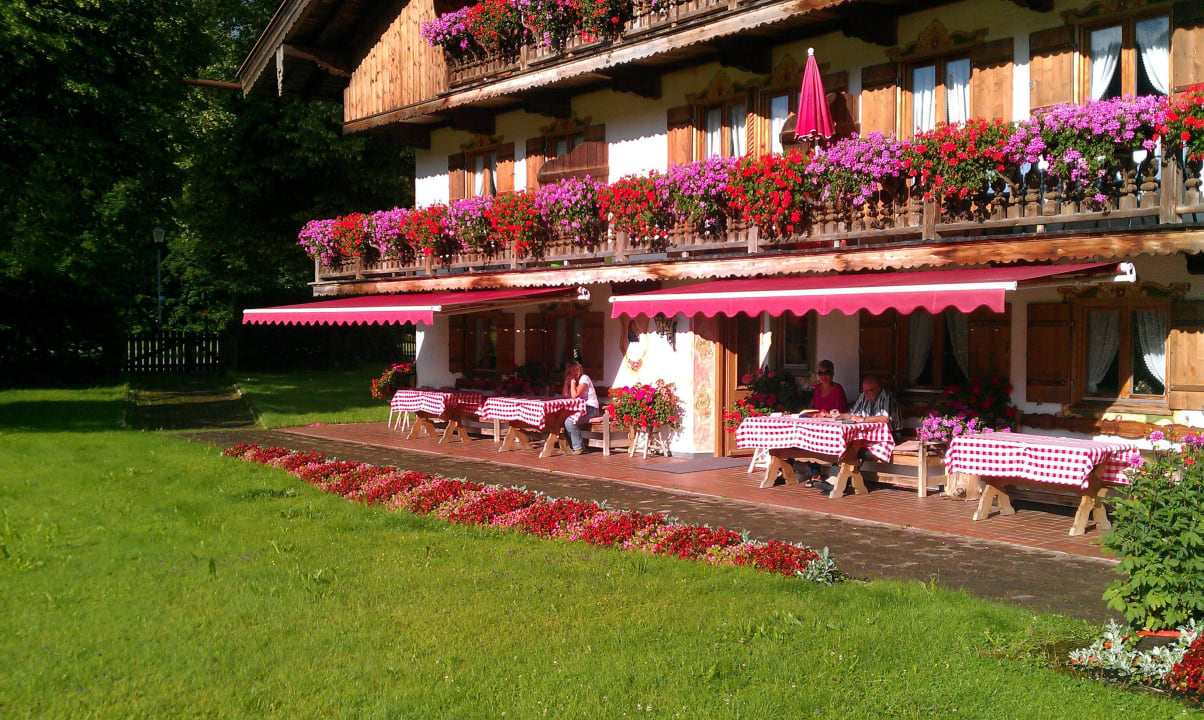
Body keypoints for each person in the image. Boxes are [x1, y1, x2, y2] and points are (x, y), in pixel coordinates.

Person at [797, 360, 848, 486]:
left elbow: (840, 412)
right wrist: (806, 412)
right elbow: (813, 405)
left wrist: (824, 414)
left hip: (833, 425)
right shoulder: (817, 388)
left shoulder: (837, 389)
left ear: (833, 374)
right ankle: (814, 473)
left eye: (827, 372)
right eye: (820, 373)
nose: (823, 376)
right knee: (807, 435)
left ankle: (827, 474)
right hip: (818, 423)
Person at [562, 360, 601, 455]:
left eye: (577, 369)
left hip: (590, 408)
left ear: (580, 369)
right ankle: (572, 446)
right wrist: (566, 382)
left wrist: (572, 381)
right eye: (572, 370)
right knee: (562, 420)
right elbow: (565, 395)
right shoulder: (573, 381)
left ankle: (578, 447)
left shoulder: (584, 378)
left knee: (570, 422)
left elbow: (574, 395)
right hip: (579, 409)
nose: (576, 372)